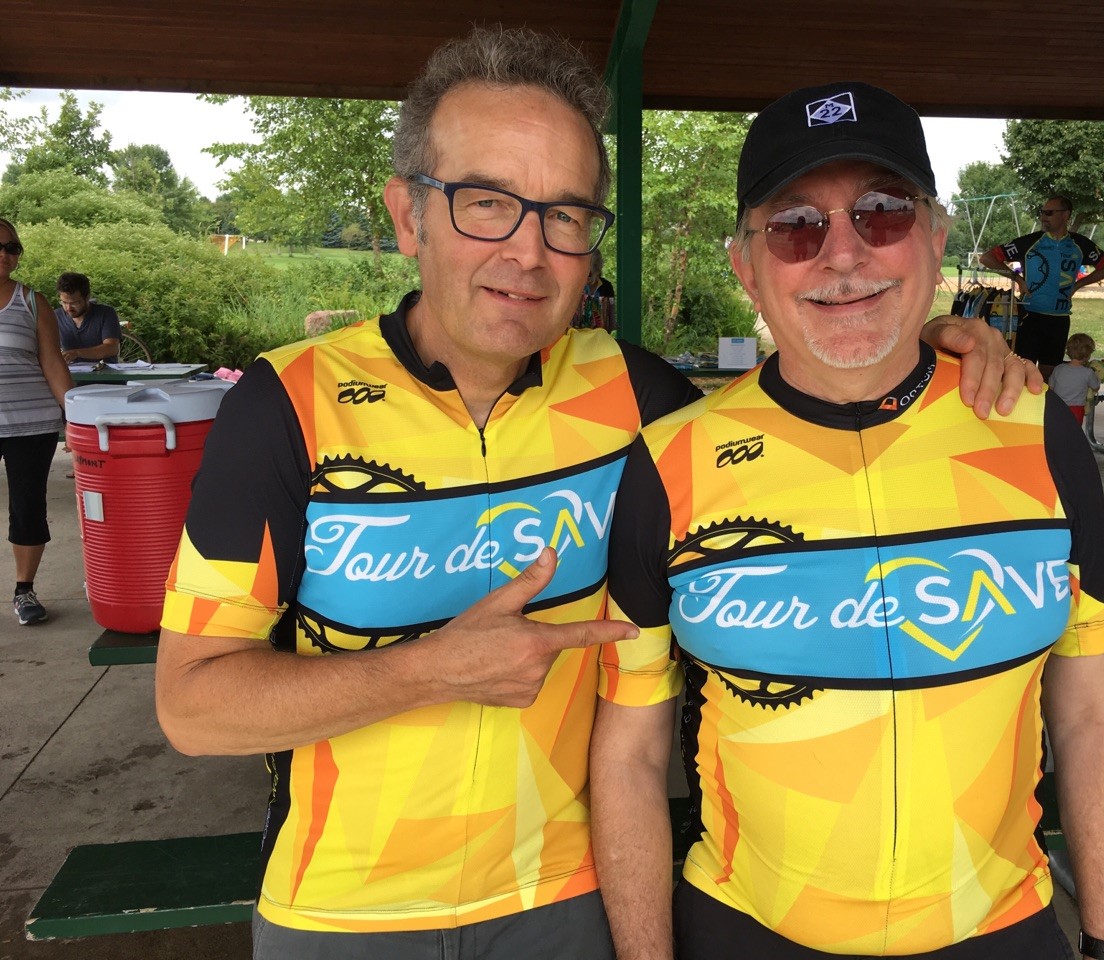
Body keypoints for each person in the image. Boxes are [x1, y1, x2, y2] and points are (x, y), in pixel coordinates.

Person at [154, 29, 1037, 959]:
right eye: (486, 203)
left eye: (567, 216)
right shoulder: (288, 404)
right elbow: (192, 707)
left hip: (569, 900)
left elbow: (794, 407)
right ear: (408, 216)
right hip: (336, 910)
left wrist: (930, 338)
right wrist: (426, 671)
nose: (529, 252)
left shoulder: (638, 399)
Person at [595, 82, 1104, 960]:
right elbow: (628, 748)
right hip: (749, 928)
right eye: (796, 226)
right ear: (746, 264)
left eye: (881, 213)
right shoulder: (667, 462)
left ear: (934, 237)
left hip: (997, 928)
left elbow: (1093, 707)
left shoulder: (1038, 430)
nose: (842, 256)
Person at [0, 218, 73, 625]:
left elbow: (52, 363)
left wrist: (77, 421)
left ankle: (23, 591)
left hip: (31, 423)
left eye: (12, 247)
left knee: (27, 507)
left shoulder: (32, 301)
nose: (5, 254)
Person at [979, 196, 1104, 380]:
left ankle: (1043, 408)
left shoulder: (1080, 244)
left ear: (1065, 215)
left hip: (1059, 320)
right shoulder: (1030, 242)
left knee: (1049, 376)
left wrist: (1079, 284)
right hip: (1029, 316)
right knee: (1021, 371)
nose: (1043, 217)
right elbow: (987, 258)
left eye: (1049, 213)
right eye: (1042, 212)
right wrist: (1017, 278)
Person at [55, 272, 123, 364]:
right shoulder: (56, 316)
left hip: (105, 376)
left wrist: (76, 353)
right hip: (70, 376)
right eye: (64, 302)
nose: (68, 308)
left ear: (87, 297)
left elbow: (111, 348)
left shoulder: (105, 313)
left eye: (74, 303)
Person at [1050, 332, 1104, 425]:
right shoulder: (1088, 373)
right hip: (1076, 409)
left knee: (1058, 431)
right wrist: (1097, 377)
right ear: (1088, 354)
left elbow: (1050, 387)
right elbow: (1096, 387)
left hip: (1058, 407)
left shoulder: (1058, 369)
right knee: (1074, 432)